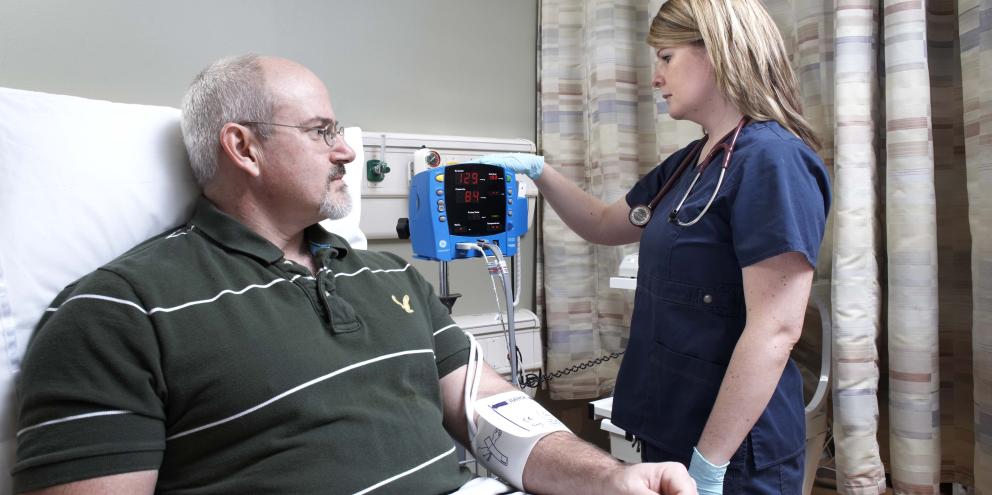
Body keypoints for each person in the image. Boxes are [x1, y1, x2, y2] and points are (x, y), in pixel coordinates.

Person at [11, 54, 695, 495]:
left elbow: (496, 415)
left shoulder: (384, 276)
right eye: (320, 130)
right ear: (242, 146)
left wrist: (611, 476)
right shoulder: (119, 310)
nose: (346, 149)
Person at [476, 0, 831, 494]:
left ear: (719, 53)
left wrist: (710, 464)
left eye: (666, 58)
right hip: (674, 428)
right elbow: (603, 223)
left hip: (735, 450)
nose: (655, 77)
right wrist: (540, 171)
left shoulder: (773, 162)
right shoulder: (693, 162)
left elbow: (776, 330)